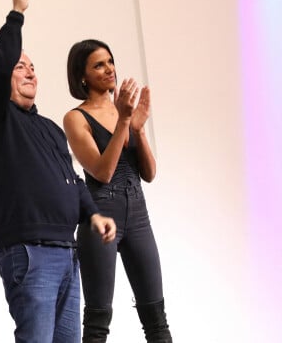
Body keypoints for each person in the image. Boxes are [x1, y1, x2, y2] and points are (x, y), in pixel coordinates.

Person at [0, 0, 116, 343]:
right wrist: (17, 13)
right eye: (21, 67)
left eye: (33, 67)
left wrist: (93, 213)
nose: (30, 72)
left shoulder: (49, 127)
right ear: (3, 78)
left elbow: (73, 180)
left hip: (67, 251)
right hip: (29, 254)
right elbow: (1, 63)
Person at [64, 39, 173, 342]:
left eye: (110, 61)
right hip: (101, 216)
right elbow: (102, 171)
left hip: (138, 214)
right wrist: (124, 120)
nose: (109, 68)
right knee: (99, 321)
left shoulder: (123, 112)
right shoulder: (75, 118)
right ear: (82, 76)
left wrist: (136, 128)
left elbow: (149, 173)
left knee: (156, 316)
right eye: (99, 64)